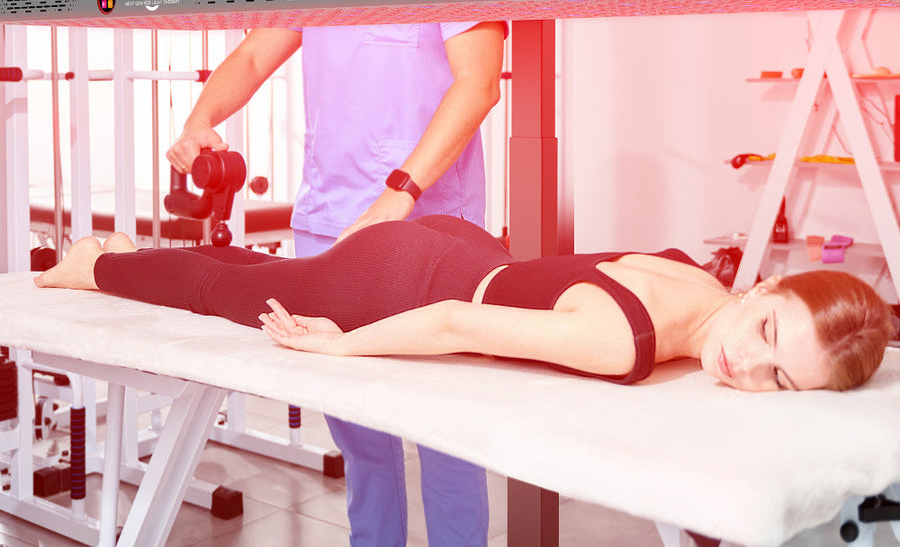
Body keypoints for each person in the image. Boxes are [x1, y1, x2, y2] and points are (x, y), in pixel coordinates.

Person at [165, 0, 506, 546]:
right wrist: (200, 119)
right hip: (327, 225)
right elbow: (258, 51)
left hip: (431, 228)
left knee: (447, 433)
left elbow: (478, 84)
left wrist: (399, 194)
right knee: (362, 436)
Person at [38, 216, 894, 393]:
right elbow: (452, 326)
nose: (746, 363)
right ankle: (91, 268)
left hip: (464, 244)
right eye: (769, 333)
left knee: (282, 271)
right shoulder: (622, 341)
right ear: (770, 287)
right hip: (410, 282)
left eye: (779, 381)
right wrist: (344, 347)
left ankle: (130, 253)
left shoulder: (700, 277)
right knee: (236, 297)